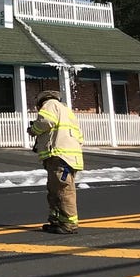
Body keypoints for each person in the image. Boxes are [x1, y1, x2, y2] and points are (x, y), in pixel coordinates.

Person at [28, 89, 85, 235]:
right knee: (56, 190)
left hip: (60, 157)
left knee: (63, 191)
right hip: (68, 158)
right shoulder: (66, 111)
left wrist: (33, 129)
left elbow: (46, 121)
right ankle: (57, 221)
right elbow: (79, 137)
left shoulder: (50, 104)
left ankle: (69, 224)